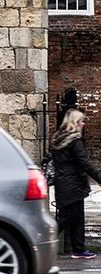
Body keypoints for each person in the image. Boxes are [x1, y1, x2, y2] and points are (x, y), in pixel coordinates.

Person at [50, 109, 101, 260]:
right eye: (81, 121)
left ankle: (78, 249)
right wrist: (99, 177)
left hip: (64, 183)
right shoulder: (75, 141)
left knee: (76, 217)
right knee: (67, 218)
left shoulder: (59, 139)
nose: (84, 124)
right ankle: (40, 242)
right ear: (75, 123)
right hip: (73, 184)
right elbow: (84, 162)